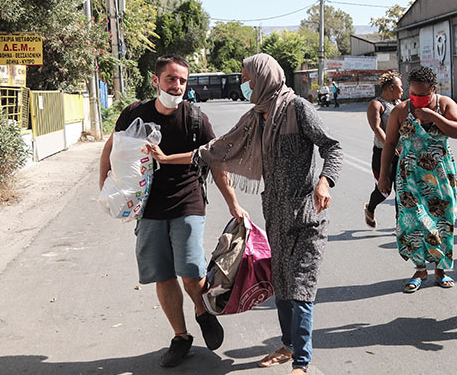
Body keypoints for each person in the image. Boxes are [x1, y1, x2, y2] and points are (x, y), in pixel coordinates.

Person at [152, 53, 343, 375]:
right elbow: (216, 149)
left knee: (301, 286)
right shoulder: (257, 116)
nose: (244, 84)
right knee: (282, 284)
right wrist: (168, 159)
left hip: (307, 216)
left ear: (262, 78)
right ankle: (288, 345)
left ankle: (302, 362)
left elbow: (332, 146)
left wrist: (325, 181)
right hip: (276, 215)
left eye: (246, 78)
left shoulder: (298, 108)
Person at [98, 55, 247, 368]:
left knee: (191, 272)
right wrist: (105, 187)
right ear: (156, 80)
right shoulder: (134, 113)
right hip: (148, 206)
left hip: (187, 202)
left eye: (182, 80)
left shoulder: (196, 118)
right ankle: (181, 337)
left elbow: (216, 162)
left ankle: (202, 310)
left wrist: (233, 203)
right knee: (162, 275)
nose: (177, 86)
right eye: (171, 79)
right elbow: (111, 149)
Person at [378, 66, 457, 293]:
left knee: (443, 221)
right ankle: (420, 269)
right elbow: (389, 143)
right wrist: (383, 176)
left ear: (434, 89)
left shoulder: (445, 104)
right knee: (413, 221)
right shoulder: (400, 110)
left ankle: (441, 269)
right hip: (409, 176)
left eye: (423, 95)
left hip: (441, 174)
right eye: (414, 94)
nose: (417, 99)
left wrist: (434, 116)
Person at [364, 71, 403, 228]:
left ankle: (400, 224)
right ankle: (370, 208)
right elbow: (377, 128)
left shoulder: (400, 104)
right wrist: (389, 145)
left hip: (402, 153)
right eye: (400, 87)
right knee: (383, 191)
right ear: (392, 87)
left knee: (401, 190)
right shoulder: (376, 104)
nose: (403, 90)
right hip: (383, 153)